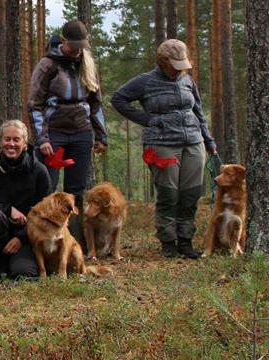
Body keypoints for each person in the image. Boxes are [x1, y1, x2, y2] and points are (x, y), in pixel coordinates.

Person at [111, 39, 217, 259]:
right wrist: (147, 119)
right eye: (174, 65)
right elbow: (118, 99)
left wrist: (209, 141)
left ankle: (186, 242)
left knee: (190, 194)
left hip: (193, 142)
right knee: (169, 194)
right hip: (162, 144)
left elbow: (198, 112)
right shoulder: (145, 82)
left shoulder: (187, 81)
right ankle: (168, 243)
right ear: (162, 61)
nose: (178, 70)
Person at [28, 20, 108, 251]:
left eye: (82, 45)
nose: (78, 49)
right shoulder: (47, 65)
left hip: (82, 134)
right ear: (63, 41)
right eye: (74, 45)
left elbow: (96, 105)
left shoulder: (87, 64)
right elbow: (35, 104)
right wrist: (43, 139)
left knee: (77, 191)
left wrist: (101, 136)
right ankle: (43, 242)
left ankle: (73, 245)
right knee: (48, 188)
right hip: (55, 135)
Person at [0, 120, 51, 279]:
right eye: (7, 139)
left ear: (25, 143)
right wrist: (7, 209)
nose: (11, 144)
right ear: (0, 141)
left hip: (30, 236)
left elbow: (46, 216)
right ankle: (2, 263)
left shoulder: (39, 171)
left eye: (16, 139)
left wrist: (21, 237)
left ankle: (20, 263)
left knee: (23, 274)